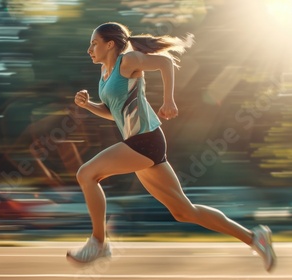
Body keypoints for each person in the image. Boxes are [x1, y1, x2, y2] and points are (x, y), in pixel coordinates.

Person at [65, 22, 277, 272]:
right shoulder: (104, 74)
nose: (89, 48)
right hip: (140, 143)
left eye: (94, 43)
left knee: (87, 174)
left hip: (144, 141)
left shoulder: (128, 61)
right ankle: (255, 238)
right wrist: (90, 105)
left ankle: (98, 243)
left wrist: (169, 101)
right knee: (184, 211)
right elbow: (115, 113)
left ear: (109, 44)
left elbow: (164, 63)